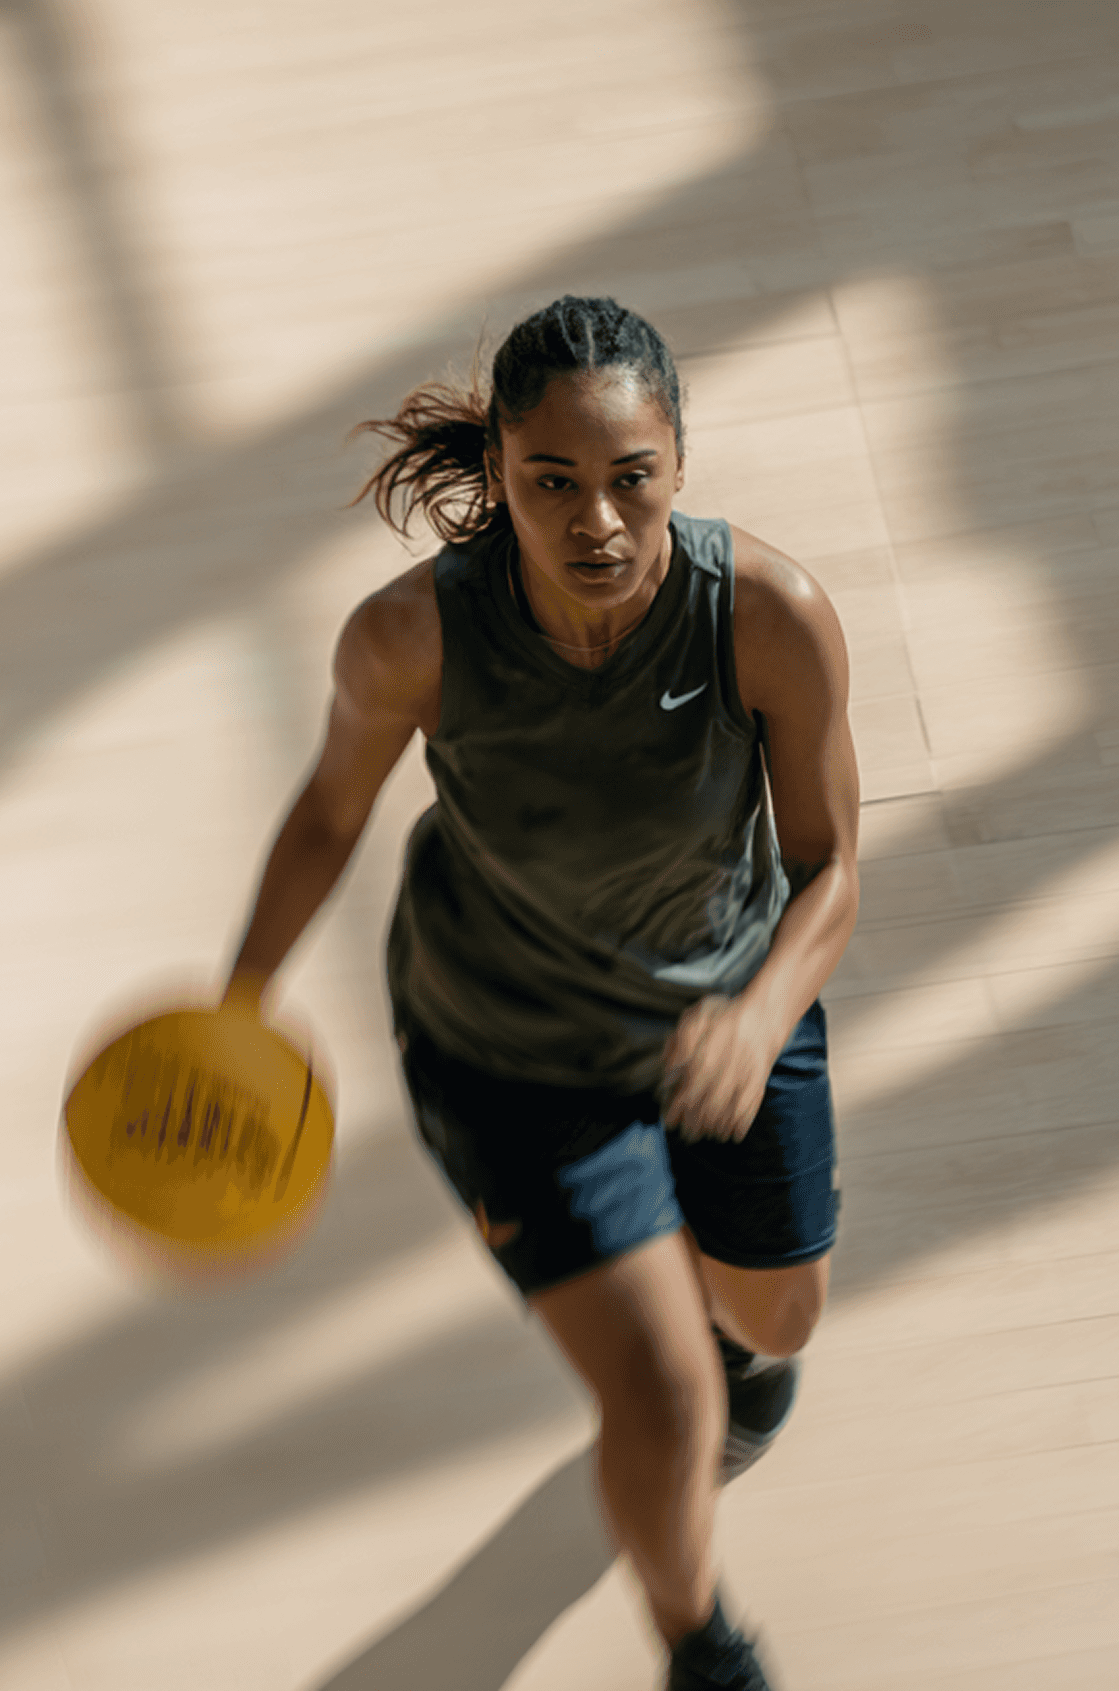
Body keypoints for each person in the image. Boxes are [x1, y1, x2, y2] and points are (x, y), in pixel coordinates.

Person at [222, 296, 858, 1691]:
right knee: (658, 1393)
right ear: (498, 479)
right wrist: (239, 1001)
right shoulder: (408, 641)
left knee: (775, 1322)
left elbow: (828, 872)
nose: (596, 523)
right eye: (549, 482)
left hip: (719, 1013)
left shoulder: (770, 619)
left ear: (678, 465)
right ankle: (702, 1643)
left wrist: (754, 1018)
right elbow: (331, 812)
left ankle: (702, 1331)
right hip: (505, 1049)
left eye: (629, 477)